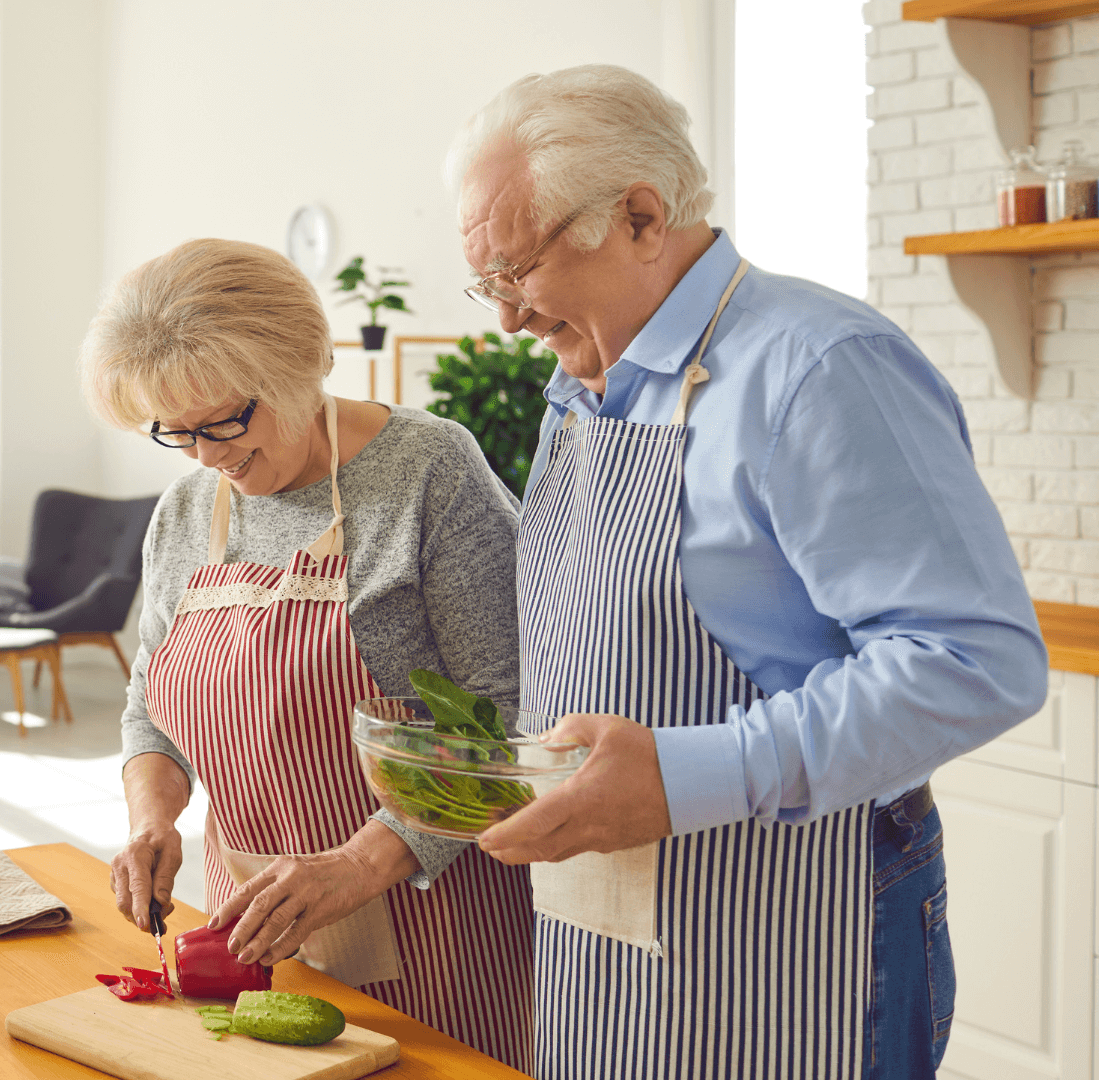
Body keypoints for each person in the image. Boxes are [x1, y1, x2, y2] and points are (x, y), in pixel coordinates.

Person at [452, 65, 1048, 1079]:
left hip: (806, 916)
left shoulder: (818, 367)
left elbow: (973, 661)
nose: (506, 317)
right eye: (486, 282)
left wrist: (683, 780)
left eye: (517, 272)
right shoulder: (582, 383)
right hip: (608, 930)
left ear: (640, 217)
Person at [83, 237, 533, 1066]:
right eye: (176, 433)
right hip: (253, 931)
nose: (208, 456)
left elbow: (503, 718)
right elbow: (154, 703)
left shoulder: (429, 472)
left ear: (300, 365)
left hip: (434, 928)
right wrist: (153, 819)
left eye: (225, 421)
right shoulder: (185, 512)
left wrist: (356, 866)